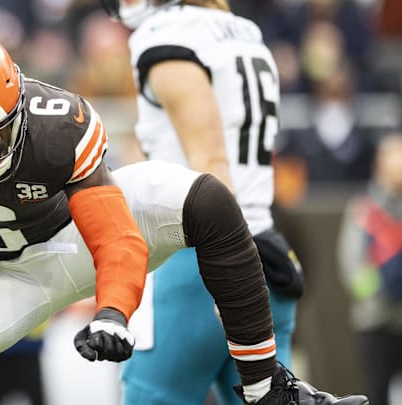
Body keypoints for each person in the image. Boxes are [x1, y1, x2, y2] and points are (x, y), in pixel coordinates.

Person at [0, 21, 368, 405]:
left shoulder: (55, 119)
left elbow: (113, 235)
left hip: (73, 239)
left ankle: (267, 391)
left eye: (4, 130)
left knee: (205, 197)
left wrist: (113, 310)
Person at [100, 1, 303, 404]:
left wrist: (231, 280)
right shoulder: (243, 32)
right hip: (266, 251)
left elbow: (212, 165)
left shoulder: (168, 36)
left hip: (201, 264)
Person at [337, 132, 402, 405]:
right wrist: (378, 294)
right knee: (374, 393)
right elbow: (351, 264)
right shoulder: (363, 210)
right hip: (374, 322)